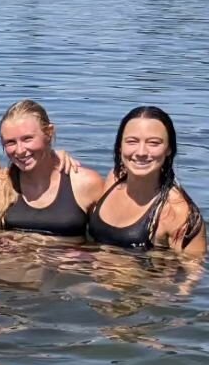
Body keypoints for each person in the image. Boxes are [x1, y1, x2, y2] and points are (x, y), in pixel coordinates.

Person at [87, 106, 205, 255]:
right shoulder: (114, 179)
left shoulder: (178, 213)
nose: (141, 152)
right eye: (132, 141)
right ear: (119, 146)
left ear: (169, 149)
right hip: (95, 276)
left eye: (154, 143)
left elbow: (193, 274)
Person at [0, 100, 105, 237]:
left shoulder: (85, 183)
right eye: (10, 142)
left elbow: (107, 243)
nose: (20, 150)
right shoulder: (2, 183)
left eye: (28, 139)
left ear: (49, 133)